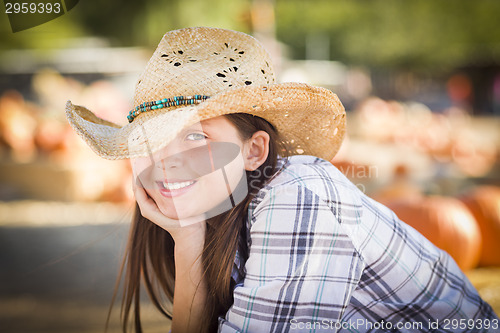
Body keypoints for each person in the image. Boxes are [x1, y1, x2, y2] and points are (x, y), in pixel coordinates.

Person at [66, 27, 498, 333]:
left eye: (196, 137)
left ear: (254, 151)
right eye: (152, 140)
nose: (166, 162)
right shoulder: (216, 216)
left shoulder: (296, 197)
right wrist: (188, 242)